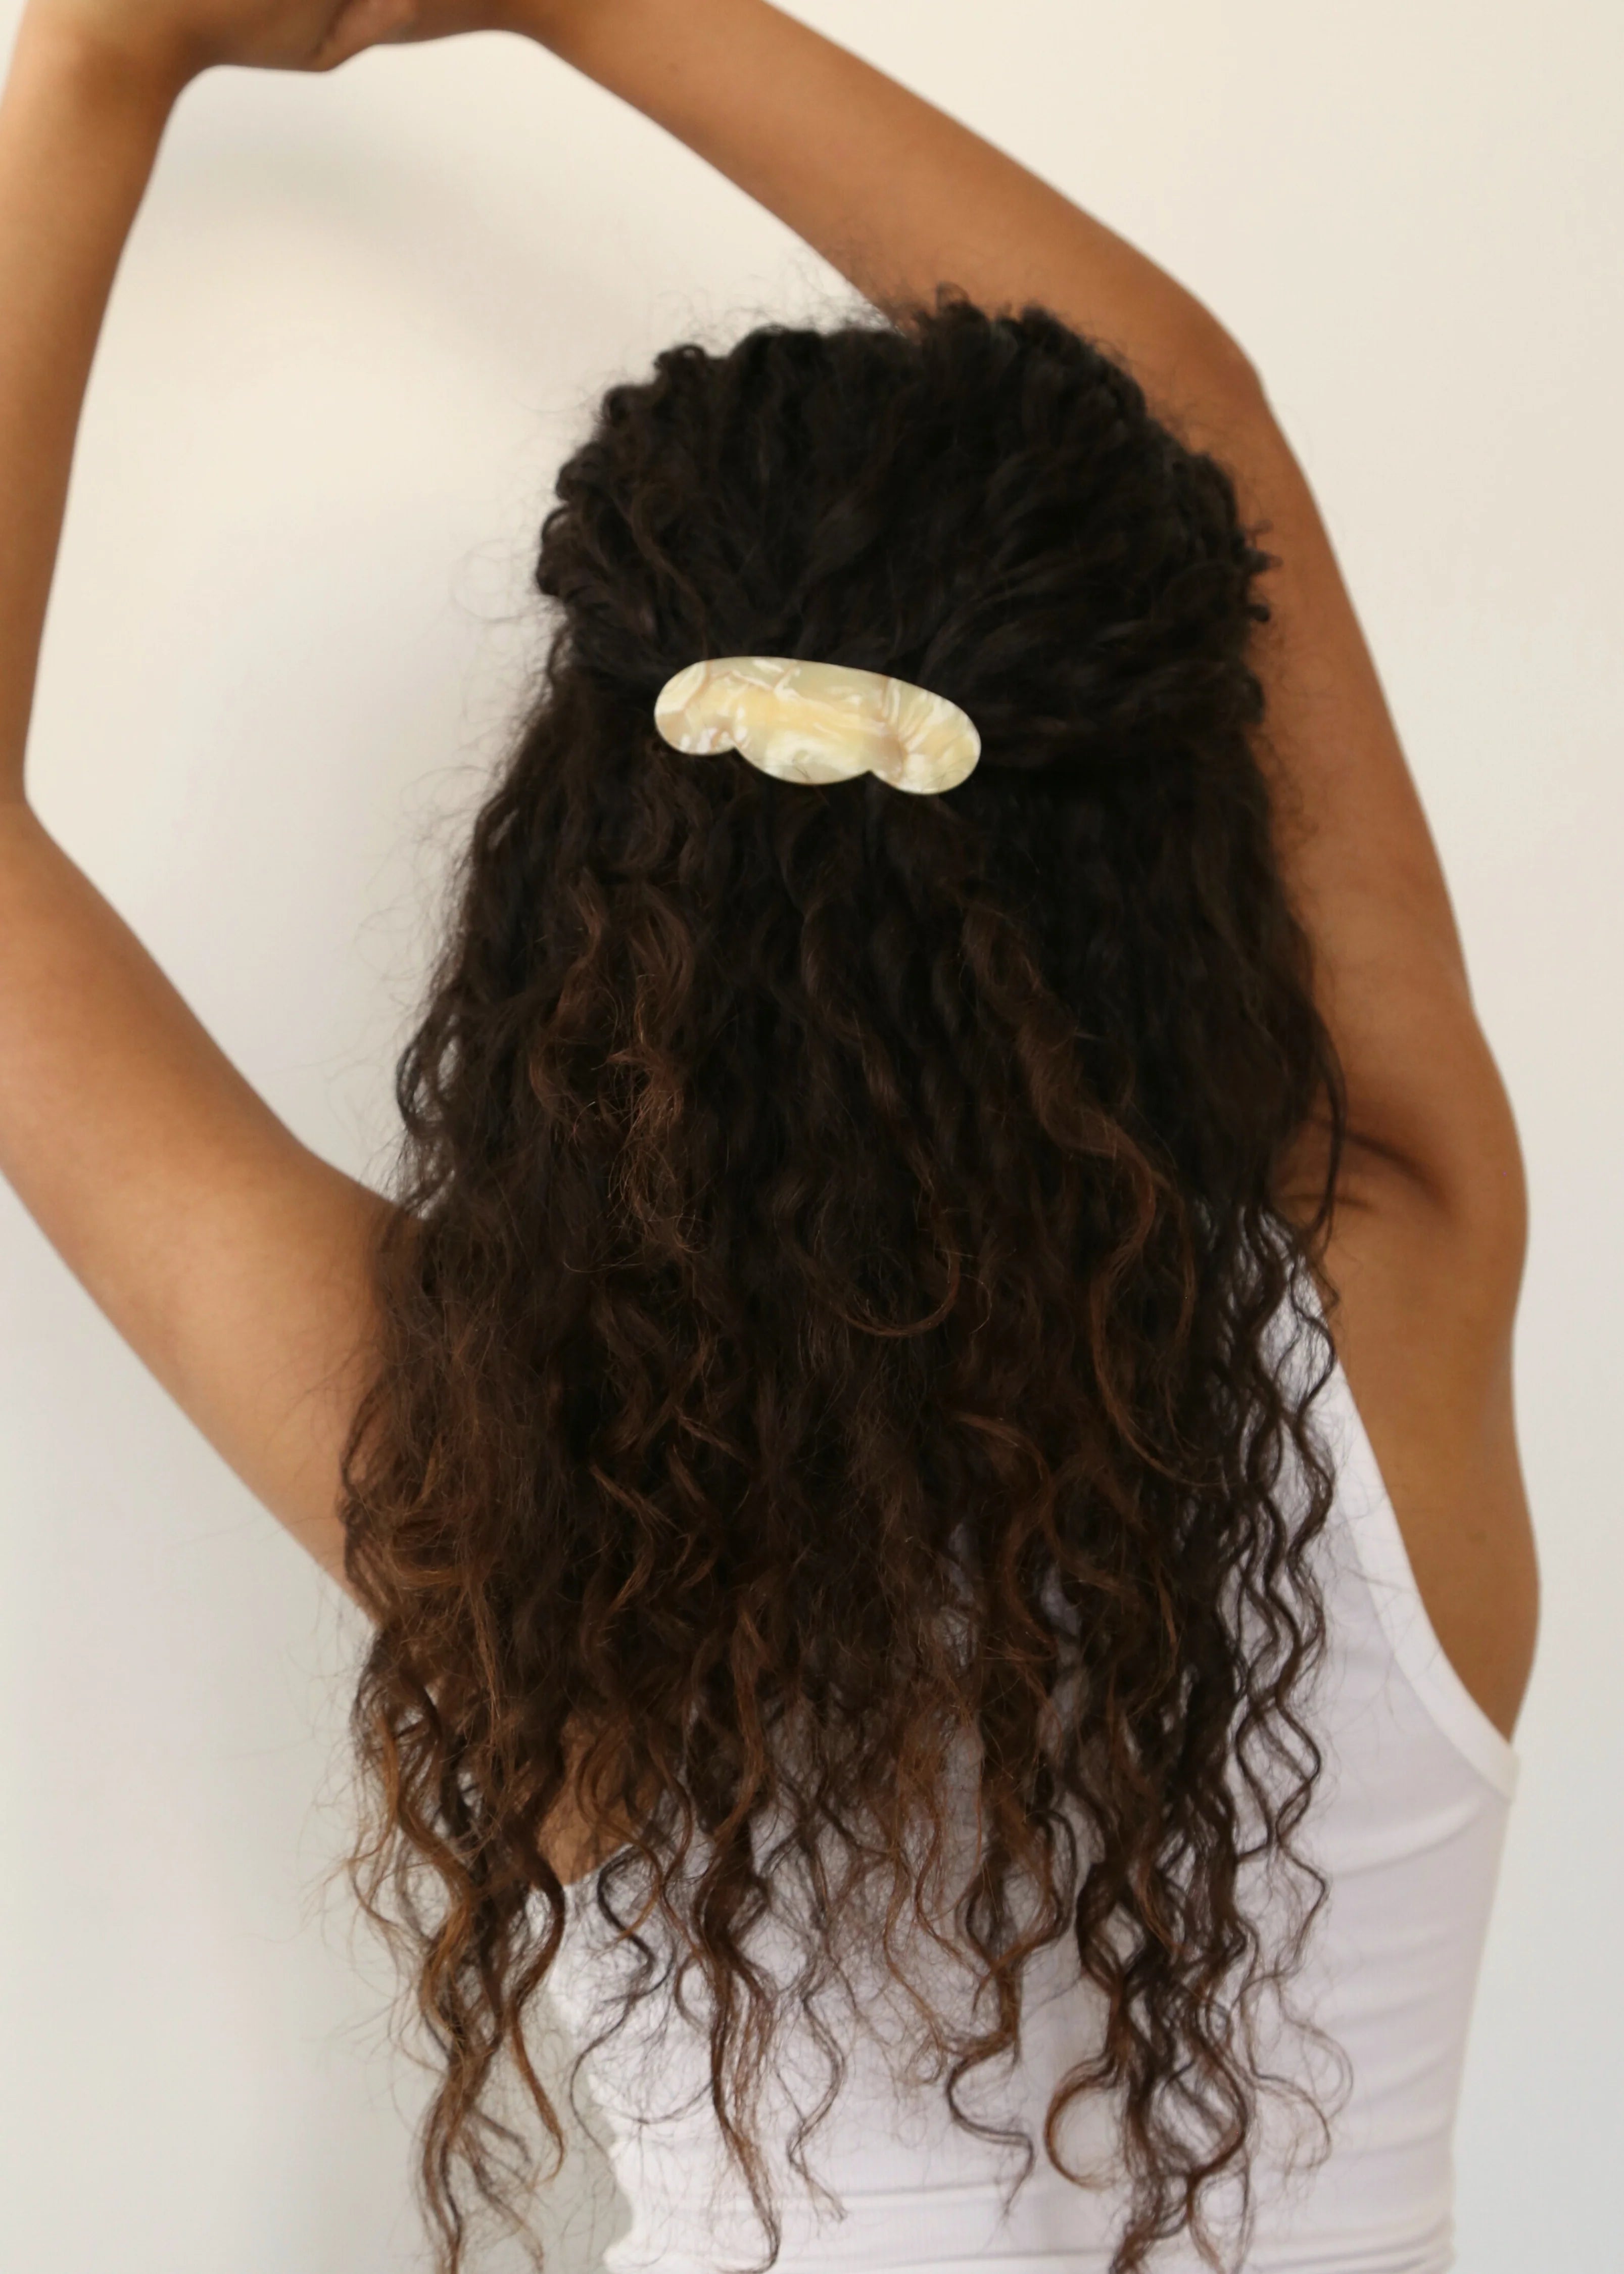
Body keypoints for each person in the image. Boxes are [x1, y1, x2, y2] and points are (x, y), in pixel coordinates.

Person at [0, 2, 1539, 2270]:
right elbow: (1205, 434)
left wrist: (92, 67)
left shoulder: (516, 1482)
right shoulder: (1390, 1292)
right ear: (1163, 832)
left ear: (571, 905)